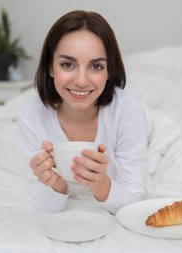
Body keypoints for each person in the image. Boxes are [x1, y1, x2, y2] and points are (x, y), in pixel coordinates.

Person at [18, 10, 148, 214]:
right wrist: (55, 185)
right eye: (67, 64)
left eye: (96, 66)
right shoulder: (32, 115)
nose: (81, 81)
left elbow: (135, 201)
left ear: (109, 71)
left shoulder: (127, 111)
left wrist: (100, 184)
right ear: (51, 67)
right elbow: (48, 207)